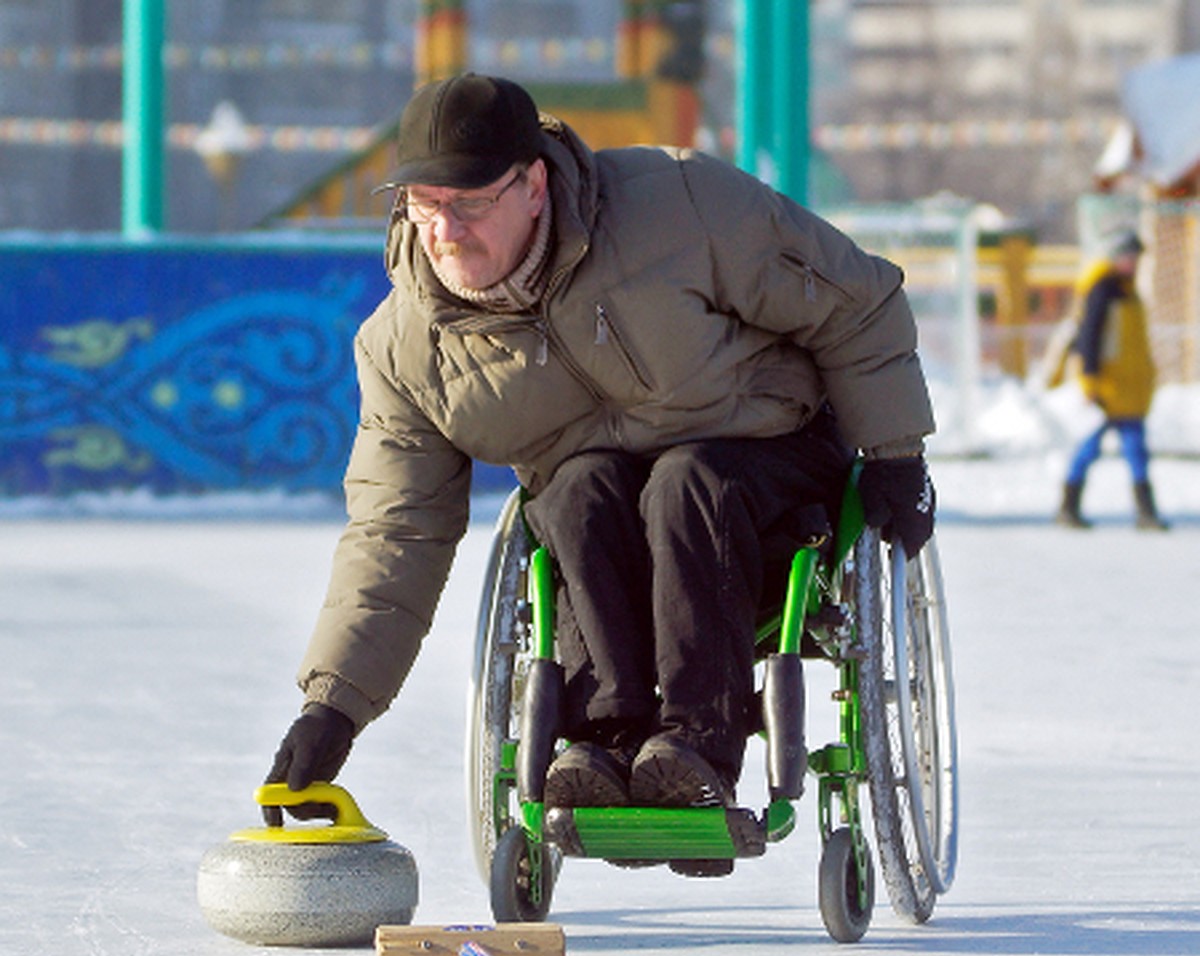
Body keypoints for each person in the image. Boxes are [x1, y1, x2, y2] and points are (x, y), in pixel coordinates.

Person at [266, 73, 937, 813]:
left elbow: (858, 300)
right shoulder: (406, 351)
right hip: (606, 538)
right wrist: (335, 705)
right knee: (574, 493)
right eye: (424, 205)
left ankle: (695, 741)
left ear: (533, 184)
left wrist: (895, 453)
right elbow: (396, 527)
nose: (446, 231)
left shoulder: (682, 206)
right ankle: (606, 739)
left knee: (688, 480)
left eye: (471, 203)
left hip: (767, 470)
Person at [1056, 229, 1168, 530]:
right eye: (1129, 257)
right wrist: (1090, 379)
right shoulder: (1103, 288)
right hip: (1107, 386)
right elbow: (1089, 335)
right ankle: (1069, 504)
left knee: (1135, 447)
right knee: (1091, 445)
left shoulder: (1127, 289)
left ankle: (1145, 510)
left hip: (1129, 385)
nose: (1134, 263)